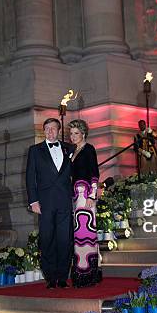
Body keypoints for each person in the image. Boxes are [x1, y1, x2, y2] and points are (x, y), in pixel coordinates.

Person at [26, 118, 75, 289]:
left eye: (53, 129)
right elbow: (30, 177)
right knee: (47, 239)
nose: (50, 132)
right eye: (47, 129)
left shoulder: (70, 148)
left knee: (64, 239)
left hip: (64, 201)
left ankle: (62, 276)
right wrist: (33, 201)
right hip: (45, 203)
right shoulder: (34, 150)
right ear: (43, 131)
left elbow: (76, 172)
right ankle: (50, 277)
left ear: (59, 130)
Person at [68, 119, 101, 288]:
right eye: (71, 133)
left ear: (83, 134)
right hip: (75, 197)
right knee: (78, 235)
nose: (73, 136)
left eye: (76, 133)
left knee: (85, 234)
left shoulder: (89, 149)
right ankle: (84, 270)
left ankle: (87, 273)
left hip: (86, 196)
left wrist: (92, 195)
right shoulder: (72, 152)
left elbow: (94, 173)